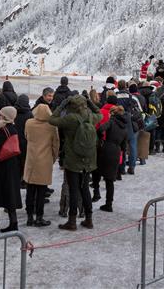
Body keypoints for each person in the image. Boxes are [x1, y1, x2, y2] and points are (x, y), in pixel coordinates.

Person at [49, 95, 102, 231]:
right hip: (89, 160)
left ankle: (72, 221)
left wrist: (61, 105)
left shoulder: (70, 119)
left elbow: (52, 119)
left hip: (73, 160)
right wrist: (90, 102)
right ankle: (88, 219)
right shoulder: (91, 117)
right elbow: (99, 113)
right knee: (85, 189)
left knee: (74, 190)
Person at [24, 103, 59, 227]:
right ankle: (39, 217)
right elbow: (56, 145)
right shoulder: (51, 126)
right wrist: (52, 158)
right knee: (41, 192)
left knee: (30, 190)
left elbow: (26, 137)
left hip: (31, 161)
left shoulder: (29, 123)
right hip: (45, 161)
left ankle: (29, 217)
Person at [93, 104, 128, 212]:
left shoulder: (112, 121)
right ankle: (109, 204)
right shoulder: (125, 127)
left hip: (106, 149)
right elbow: (124, 146)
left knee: (96, 171)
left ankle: (96, 192)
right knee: (110, 180)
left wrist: (101, 139)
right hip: (116, 152)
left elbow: (100, 129)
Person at [115, 80, 142, 174]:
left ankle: (120, 167)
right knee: (133, 145)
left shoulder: (115, 97)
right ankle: (131, 167)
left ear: (118, 86)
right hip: (131, 124)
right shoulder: (132, 97)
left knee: (120, 146)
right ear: (126, 86)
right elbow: (140, 111)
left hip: (118, 123)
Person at [14, 94, 33, 185]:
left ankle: (16, 179)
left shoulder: (14, 112)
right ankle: (24, 180)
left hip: (15, 139)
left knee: (16, 161)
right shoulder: (29, 113)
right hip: (26, 140)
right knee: (25, 161)